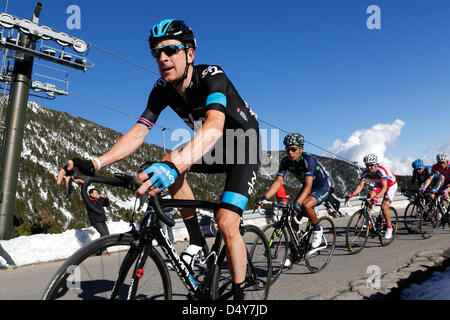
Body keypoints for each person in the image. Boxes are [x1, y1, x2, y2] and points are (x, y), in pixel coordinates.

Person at [57, 19, 260, 300]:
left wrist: (174, 166)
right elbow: (138, 133)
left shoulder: (213, 76)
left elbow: (213, 126)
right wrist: (95, 163)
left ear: (190, 54)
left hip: (243, 147)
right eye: (156, 53)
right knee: (168, 158)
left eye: (171, 50)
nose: (163, 58)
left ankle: (239, 297)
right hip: (211, 147)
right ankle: (197, 240)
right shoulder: (162, 88)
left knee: (226, 223)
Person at [257, 133, 330, 261]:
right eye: (288, 149)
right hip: (308, 188)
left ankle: (317, 229)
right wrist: (264, 197)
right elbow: (278, 182)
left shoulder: (308, 161)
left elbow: (308, 186)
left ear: (301, 149)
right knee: (293, 216)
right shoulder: (286, 162)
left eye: (294, 149)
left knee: (305, 205)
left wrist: (298, 203)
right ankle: (295, 251)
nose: (290, 152)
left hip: (320, 187)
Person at [345, 154, 397, 240]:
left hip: (390, 185)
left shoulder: (381, 171)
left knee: (384, 206)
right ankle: (369, 218)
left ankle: (389, 227)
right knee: (370, 195)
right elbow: (360, 186)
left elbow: (384, 188)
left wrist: (377, 197)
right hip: (379, 184)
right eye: (367, 165)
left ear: (376, 164)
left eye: (371, 165)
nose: (369, 167)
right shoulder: (365, 172)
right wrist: (351, 195)